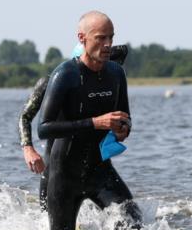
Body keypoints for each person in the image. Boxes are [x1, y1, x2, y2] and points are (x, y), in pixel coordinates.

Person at [37, 11, 140, 230]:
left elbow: (125, 116)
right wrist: (95, 123)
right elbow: (44, 129)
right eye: (101, 38)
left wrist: (123, 129)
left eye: (111, 38)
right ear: (82, 38)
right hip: (64, 174)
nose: (108, 44)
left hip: (100, 170)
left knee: (134, 227)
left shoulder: (116, 73)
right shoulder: (65, 75)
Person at [18, 43, 128, 210]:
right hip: (57, 167)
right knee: (50, 224)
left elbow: (122, 51)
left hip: (95, 166)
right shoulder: (54, 82)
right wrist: (28, 148)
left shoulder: (107, 81)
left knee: (125, 216)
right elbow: (25, 116)